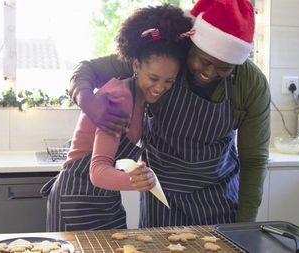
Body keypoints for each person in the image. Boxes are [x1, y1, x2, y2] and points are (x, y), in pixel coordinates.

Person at [69, 0, 271, 227]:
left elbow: (254, 160)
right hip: (161, 200)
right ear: (192, 44)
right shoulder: (163, 59)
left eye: (224, 68)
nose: (210, 72)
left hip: (218, 200)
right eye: (203, 61)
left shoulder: (250, 83)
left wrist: (243, 227)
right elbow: (86, 70)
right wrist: (88, 102)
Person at [40, 5, 193, 232]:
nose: (160, 88)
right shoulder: (119, 99)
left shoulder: (140, 99)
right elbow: (98, 171)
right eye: (154, 78)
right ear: (136, 66)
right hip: (77, 198)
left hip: (106, 199)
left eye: (169, 81)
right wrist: (139, 181)